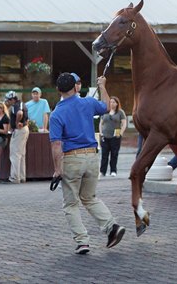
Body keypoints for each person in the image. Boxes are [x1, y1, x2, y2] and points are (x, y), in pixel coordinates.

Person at [50, 72, 125, 254]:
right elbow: (107, 106)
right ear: (76, 86)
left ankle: (82, 240)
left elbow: (56, 145)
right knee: (89, 198)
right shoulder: (88, 102)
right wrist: (103, 86)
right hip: (92, 157)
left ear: (58, 89)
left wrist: (57, 170)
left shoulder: (56, 114)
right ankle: (111, 227)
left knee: (71, 203)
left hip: (72, 158)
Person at [5, 91, 29, 184]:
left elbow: (19, 113)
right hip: (25, 128)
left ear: (12, 99)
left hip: (19, 130)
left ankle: (15, 177)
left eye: (8, 100)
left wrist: (16, 122)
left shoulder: (15, 106)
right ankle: (22, 177)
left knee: (15, 154)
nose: (8, 102)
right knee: (22, 154)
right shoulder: (23, 104)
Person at [99, 96, 127, 177]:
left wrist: (121, 133)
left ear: (117, 103)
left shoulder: (120, 112)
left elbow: (124, 123)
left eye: (114, 102)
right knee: (104, 155)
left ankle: (113, 171)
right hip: (105, 136)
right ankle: (102, 171)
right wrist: (101, 133)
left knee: (114, 154)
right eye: (110, 102)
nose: (112, 103)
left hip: (115, 136)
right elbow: (101, 123)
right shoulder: (105, 112)